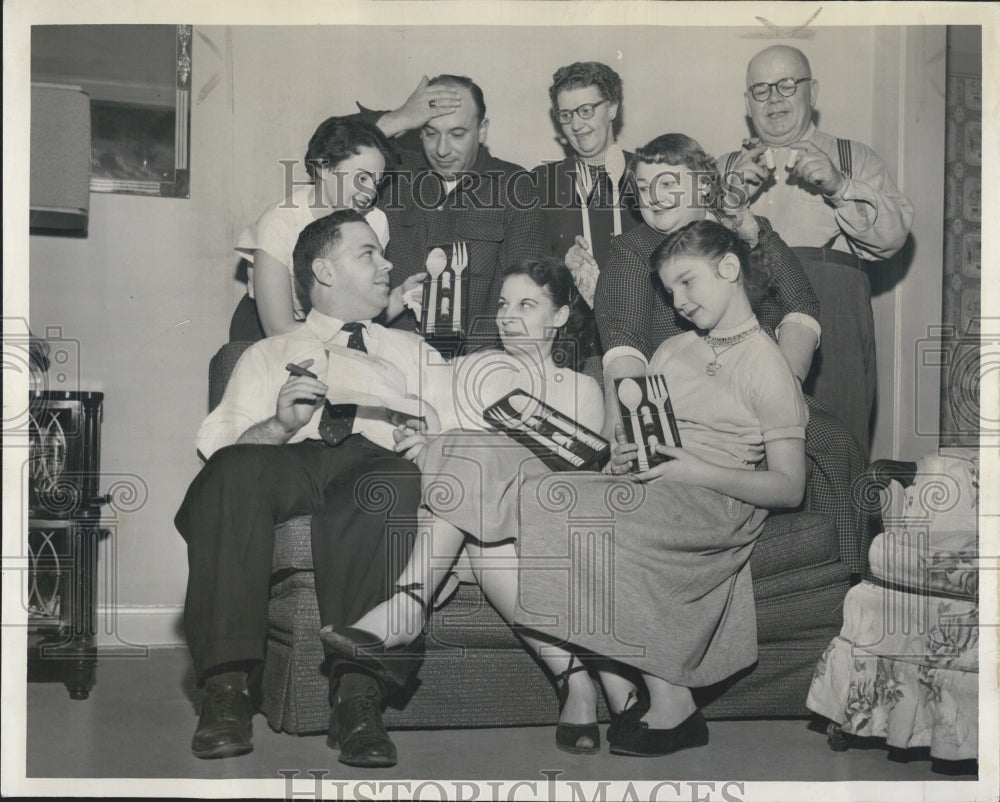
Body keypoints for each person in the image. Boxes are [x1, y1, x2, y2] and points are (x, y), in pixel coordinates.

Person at [175, 209, 453, 767]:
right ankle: (227, 692)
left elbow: (459, 445)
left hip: (374, 463)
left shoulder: (417, 353)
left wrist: (428, 440)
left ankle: (357, 699)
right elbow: (218, 454)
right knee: (234, 469)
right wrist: (278, 424)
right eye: (368, 253)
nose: (387, 264)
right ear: (324, 271)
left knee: (390, 478)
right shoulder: (266, 353)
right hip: (289, 460)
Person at [318, 257, 608, 754]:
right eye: (502, 304)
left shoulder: (581, 388)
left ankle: (408, 605)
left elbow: (578, 478)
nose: (507, 315)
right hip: (469, 521)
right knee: (476, 518)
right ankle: (576, 681)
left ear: (559, 317)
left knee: (475, 478)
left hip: (536, 518)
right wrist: (421, 439)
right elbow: (438, 451)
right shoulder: (467, 371)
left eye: (526, 304)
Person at [720, 45, 915, 453]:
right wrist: (727, 204)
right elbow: (688, 260)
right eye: (761, 89)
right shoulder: (724, 167)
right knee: (744, 452)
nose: (774, 98)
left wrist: (841, 186)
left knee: (838, 450)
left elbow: (894, 238)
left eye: (787, 84)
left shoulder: (855, 157)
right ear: (747, 102)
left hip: (835, 316)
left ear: (814, 92)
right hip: (743, 316)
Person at [593, 133, 820, 439]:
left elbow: (801, 304)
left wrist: (784, 389)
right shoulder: (633, 249)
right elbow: (625, 345)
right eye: (644, 189)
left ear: (702, 184)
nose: (653, 198)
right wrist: (632, 431)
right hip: (680, 404)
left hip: (762, 390)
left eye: (668, 184)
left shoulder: (749, 230)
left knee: (830, 440)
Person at [357, 75, 550, 342]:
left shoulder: (514, 187)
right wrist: (398, 119)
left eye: (457, 134)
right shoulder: (393, 173)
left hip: (476, 360)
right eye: (431, 133)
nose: (442, 149)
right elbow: (330, 155)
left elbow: (528, 292)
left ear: (482, 130)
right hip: (391, 351)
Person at [229, 116, 421, 340]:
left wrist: (401, 295)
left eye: (376, 182)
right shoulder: (278, 224)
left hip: (335, 330)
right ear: (324, 168)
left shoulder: (376, 222)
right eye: (362, 178)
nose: (370, 193)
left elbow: (359, 314)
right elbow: (278, 330)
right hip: (269, 333)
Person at [531, 62, 643, 309]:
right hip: (574, 329)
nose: (576, 125)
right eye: (566, 115)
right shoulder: (541, 182)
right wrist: (562, 264)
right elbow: (531, 273)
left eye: (586, 110)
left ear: (612, 107)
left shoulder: (647, 173)